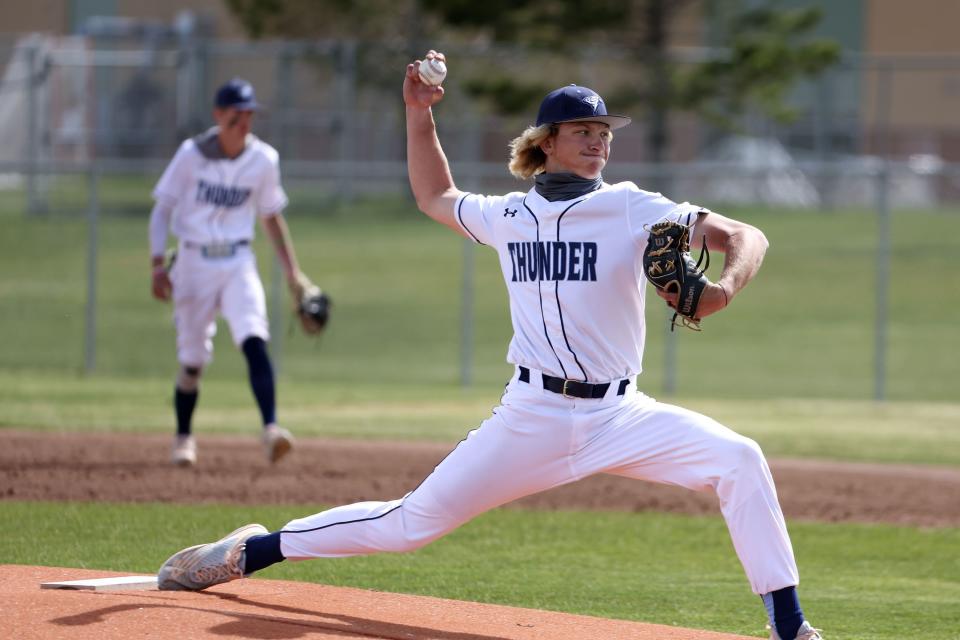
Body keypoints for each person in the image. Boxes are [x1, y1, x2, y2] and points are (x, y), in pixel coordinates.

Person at [156, 54, 822, 640]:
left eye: (603, 133)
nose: (598, 143)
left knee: (739, 458)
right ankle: (248, 553)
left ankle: (788, 625)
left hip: (622, 416)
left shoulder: (630, 206)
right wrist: (420, 114)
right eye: (583, 132)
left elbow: (745, 234)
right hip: (533, 415)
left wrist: (727, 287)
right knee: (409, 523)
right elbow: (434, 194)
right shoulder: (509, 215)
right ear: (547, 141)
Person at [149, 78, 305, 467]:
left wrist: (293, 274)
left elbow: (271, 218)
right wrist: (156, 263)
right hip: (193, 262)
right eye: (237, 113)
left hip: (237, 260)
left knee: (254, 337)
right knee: (193, 361)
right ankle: (183, 438)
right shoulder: (191, 155)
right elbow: (162, 209)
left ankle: (271, 431)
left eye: (249, 113)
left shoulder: (264, 159)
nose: (244, 121)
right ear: (219, 114)